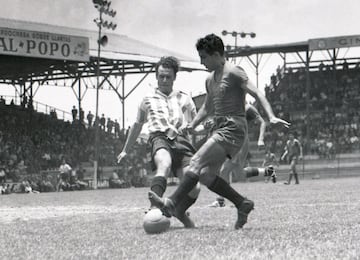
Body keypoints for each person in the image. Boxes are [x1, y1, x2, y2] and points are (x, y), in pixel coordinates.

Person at [148, 33, 290, 229]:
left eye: (204, 57)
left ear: (216, 55)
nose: (201, 61)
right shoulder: (209, 79)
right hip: (219, 128)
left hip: (233, 128)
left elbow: (256, 92)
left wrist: (271, 116)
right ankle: (242, 203)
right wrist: (193, 123)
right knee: (206, 176)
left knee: (196, 162)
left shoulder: (234, 72)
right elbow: (207, 107)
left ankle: (171, 203)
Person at [117, 56, 200, 228]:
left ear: (174, 77)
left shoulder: (185, 99)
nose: (164, 80)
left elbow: (195, 125)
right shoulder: (147, 99)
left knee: (195, 187)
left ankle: (178, 210)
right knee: (164, 162)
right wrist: (125, 149)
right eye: (160, 76)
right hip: (159, 137)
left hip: (181, 141)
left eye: (168, 76)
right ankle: (154, 208)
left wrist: (199, 126)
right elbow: (138, 125)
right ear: (156, 76)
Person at [209, 103, 275, 208]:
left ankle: (220, 200)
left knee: (224, 170)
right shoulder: (228, 105)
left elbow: (262, 122)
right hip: (229, 139)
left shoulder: (247, 107)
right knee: (239, 174)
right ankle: (268, 171)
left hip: (240, 141)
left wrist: (261, 139)